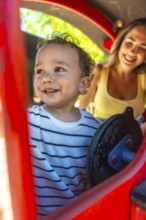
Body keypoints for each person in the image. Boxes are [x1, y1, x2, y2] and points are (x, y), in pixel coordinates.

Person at [27, 32, 100, 218]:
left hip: (77, 214)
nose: (46, 78)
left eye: (58, 69)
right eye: (39, 71)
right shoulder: (29, 119)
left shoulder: (94, 129)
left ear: (83, 84)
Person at [79, 18, 146, 124]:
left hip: (132, 138)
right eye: (129, 43)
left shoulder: (143, 78)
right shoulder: (100, 71)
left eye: (142, 48)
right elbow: (80, 111)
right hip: (99, 136)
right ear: (120, 42)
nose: (132, 52)